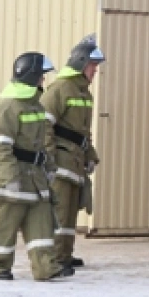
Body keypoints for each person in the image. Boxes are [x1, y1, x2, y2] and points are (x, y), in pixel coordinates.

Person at [0, 52, 72, 281]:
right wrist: (10, 178)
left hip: (35, 178)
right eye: (42, 76)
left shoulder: (35, 107)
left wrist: (49, 167)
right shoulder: (9, 107)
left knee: (42, 225)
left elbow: (41, 144)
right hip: (14, 180)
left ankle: (46, 268)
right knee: (4, 226)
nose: (44, 80)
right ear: (32, 76)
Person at [42, 34, 104, 271]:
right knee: (58, 212)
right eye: (92, 66)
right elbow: (44, 124)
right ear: (80, 63)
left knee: (69, 212)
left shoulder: (83, 92)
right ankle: (54, 259)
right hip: (60, 160)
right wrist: (49, 157)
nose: (95, 71)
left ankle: (65, 255)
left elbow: (83, 132)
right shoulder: (60, 89)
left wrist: (91, 155)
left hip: (75, 160)